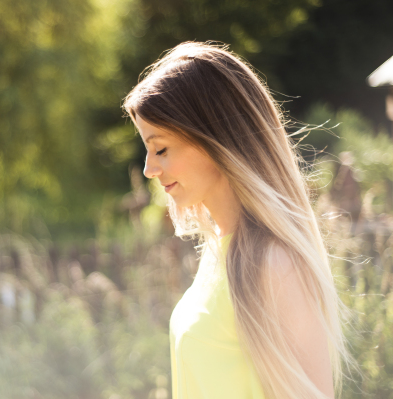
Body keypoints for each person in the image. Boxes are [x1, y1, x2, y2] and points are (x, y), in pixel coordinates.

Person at [123, 42, 359, 399]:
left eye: (161, 149)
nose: (148, 168)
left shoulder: (274, 263)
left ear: (213, 140)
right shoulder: (218, 251)